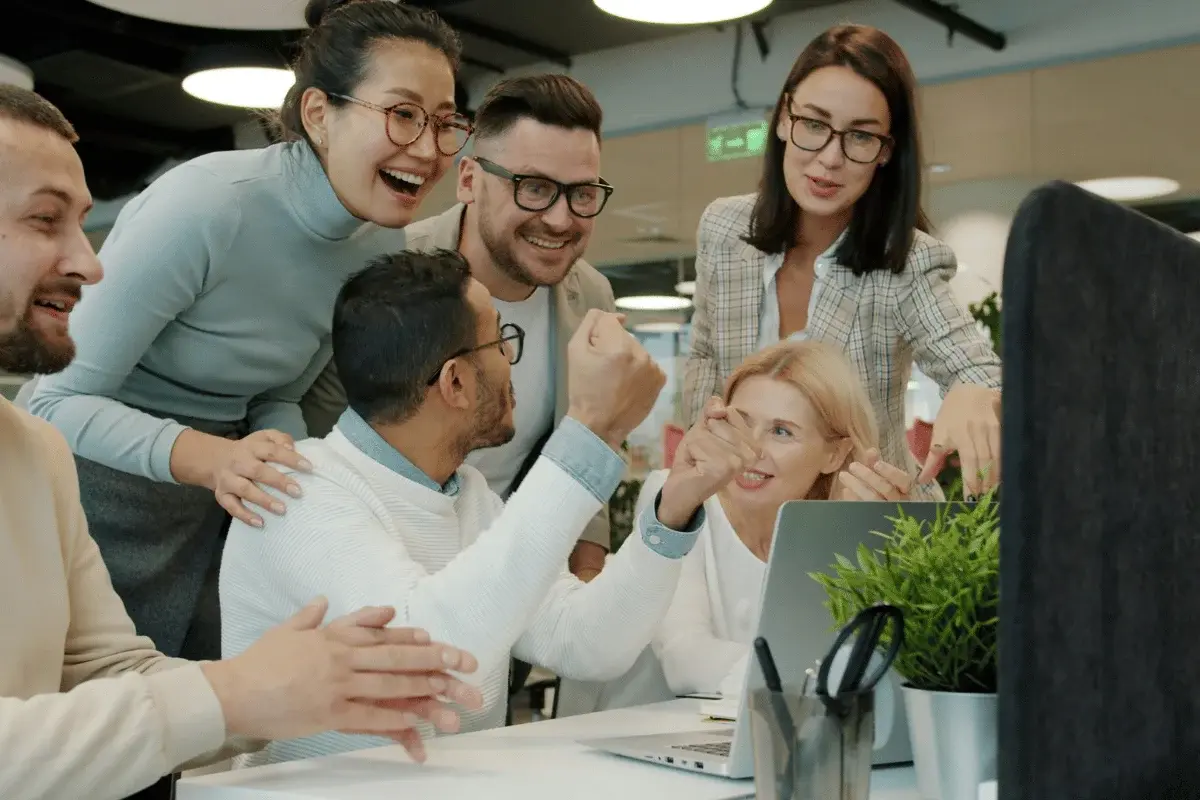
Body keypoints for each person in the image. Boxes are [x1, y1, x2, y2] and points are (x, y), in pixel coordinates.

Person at [0, 83, 484, 800]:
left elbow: (113, 671)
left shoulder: (35, 455)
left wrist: (301, 690)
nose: (90, 264)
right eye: (46, 221)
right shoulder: (206, 204)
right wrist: (233, 695)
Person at [26, 0, 472, 660]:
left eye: (444, 123)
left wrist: (304, 474)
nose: (429, 150)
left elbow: (279, 396)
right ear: (320, 114)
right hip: (96, 504)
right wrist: (217, 459)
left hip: (223, 506)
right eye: (403, 116)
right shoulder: (207, 203)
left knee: (203, 737)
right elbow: (50, 405)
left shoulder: (378, 246)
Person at [219, 249, 762, 765]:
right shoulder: (299, 490)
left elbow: (587, 642)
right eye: (501, 342)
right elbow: (426, 647)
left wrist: (672, 511)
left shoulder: (468, 493)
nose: (510, 362)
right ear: (455, 382)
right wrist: (590, 432)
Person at [303, 73, 617, 582]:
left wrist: (585, 570)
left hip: (512, 578)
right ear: (469, 179)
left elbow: (585, 435)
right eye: (534, 188)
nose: (560, 219)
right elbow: (317, 430)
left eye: (582, 193)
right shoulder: (387, 269)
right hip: (371, 572)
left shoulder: (592, 297)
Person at [683, 24, 1002, 499]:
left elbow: (980, 375)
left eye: (860, 136)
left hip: (866, 537)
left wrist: (976, 394)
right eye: (814, 124)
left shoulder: (906, 263)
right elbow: (707, 353)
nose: (830, 158)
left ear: (887, 152)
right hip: (740, 519)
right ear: (783, 120)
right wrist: (705, 442)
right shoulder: (724, 230)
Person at [653, 339, 907, 697]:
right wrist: (815, 683)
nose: (751, 449)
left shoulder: (837, 534)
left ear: (835, 455)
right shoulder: (678, 495)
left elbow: (884, 662)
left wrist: (892, 549)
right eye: (740, 423)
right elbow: (684, 658)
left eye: (781, 431)